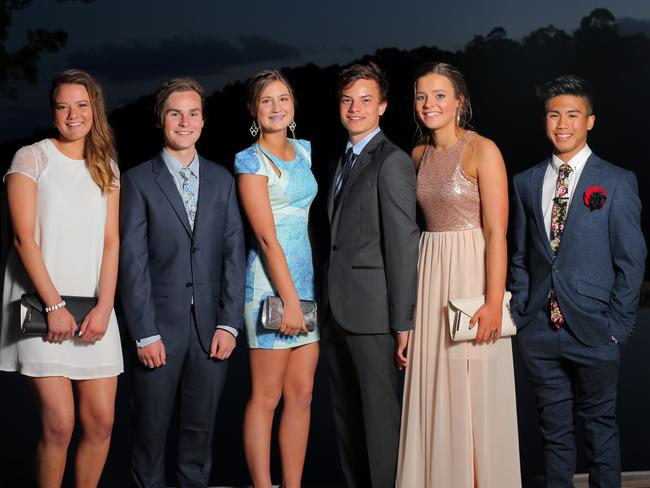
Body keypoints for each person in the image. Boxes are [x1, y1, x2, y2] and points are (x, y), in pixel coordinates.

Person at [510, 75, 646, 487]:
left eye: (572, 114)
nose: (562, 123)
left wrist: (618, 328)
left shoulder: (618, 181)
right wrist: (521, 309)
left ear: (590, 121)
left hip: (595, 332)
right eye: (554, 115)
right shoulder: (526, 181)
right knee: (553, 435)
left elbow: (632, 260)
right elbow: (520, 255)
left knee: (600, 430)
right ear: (545, 120)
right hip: (539, 331)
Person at [397, 62, 521, 487]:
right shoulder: (417, 155)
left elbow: (496, 232)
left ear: (459, 102)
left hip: (472, 271)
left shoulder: (482, 150)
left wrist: (492, 301)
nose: (429, 104)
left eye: (438, 95)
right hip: (430, 271)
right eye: (421, 96)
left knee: (474, 389)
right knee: (436, 388)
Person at [119, 77, 245, 488]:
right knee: (149, 439)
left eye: (193, 113)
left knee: (199, 439)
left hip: (211, 332)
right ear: (161, 120)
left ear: (204, 121)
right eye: (175, 113)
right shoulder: (137, 181)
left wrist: (229, 324)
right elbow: (131, 263)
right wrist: (144, 333)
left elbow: (233, 255)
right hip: (157, 332)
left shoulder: (222, 179)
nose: (185, 121)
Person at [0, 69, 123, 487]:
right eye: (63, 105)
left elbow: (111, 241)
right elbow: (23, 239)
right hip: (42, 310)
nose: (74, 114)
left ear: (95, 109)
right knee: (60, 426)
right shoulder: (31, 158)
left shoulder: (106, 164)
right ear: (53, 112)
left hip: (95, 312)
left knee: (102, 423)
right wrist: (53, 306)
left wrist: (106, 306)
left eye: (82, 104)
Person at [323, 62, 419, 488]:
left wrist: (403, 322)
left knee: (380, 425)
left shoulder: (392, 161)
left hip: (374, 316)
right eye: (347, 100)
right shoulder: (338, 161)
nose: (354, 107)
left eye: (365, 100)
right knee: (347, 423)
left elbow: (402, 244)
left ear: (381, 106)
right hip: (335, 312)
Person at [234, 69, 319, 488]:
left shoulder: (304, 151)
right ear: (254, 109)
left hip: (306, 286)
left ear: (293, 106)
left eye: (282, 98)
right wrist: (287, 300)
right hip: (270, 287)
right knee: (266, 398)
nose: (275, 107)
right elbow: (266, 239)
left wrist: (300, 295)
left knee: (301, 395)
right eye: (266, 100)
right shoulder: (249, 161)